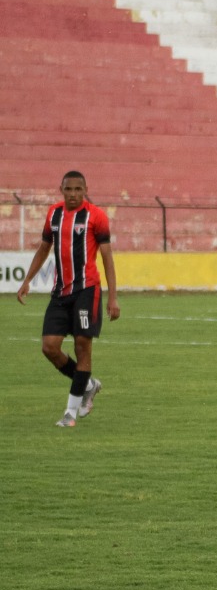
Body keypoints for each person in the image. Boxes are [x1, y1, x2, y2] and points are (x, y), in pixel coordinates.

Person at [15, 170, 120, 427]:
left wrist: (113, 298)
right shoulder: (54, 214)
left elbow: (107, 258)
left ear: (85, 190)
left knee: (82, 347)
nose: (73, 194)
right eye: (68, 189)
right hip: (60, 292)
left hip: (87, 290)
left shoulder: (96, 216)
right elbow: (44, 248)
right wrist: (28, 279)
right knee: (49, 347)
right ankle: (89, 384)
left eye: (78, 189)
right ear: (61, 189)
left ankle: (70, 413)